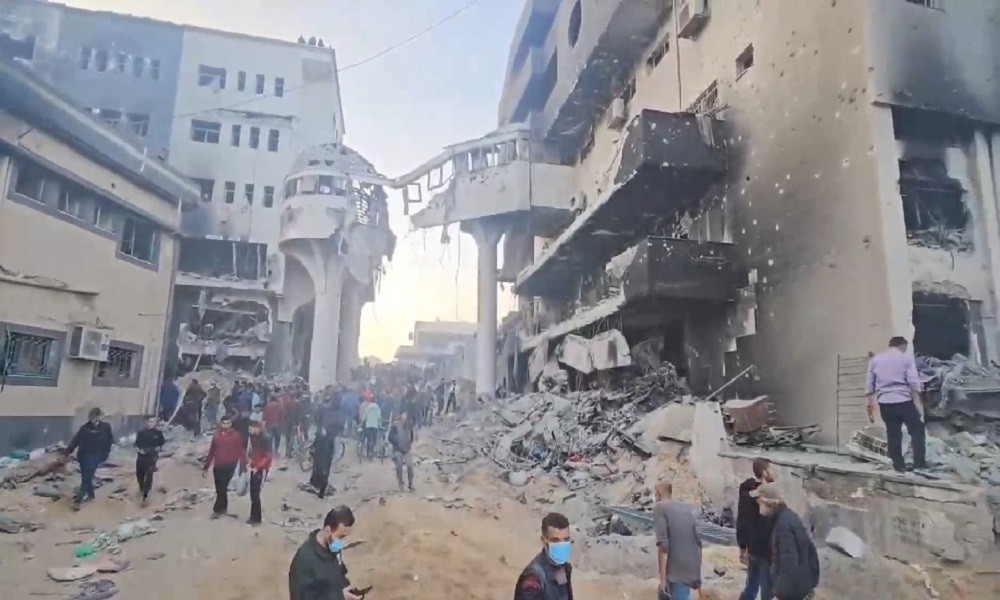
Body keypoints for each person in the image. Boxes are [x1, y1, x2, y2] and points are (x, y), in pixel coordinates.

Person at [866, 336, 926, 473]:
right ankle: (919, 463)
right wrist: (917, 400)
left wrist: (870, 403)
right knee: (917, 430)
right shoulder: (906, 359)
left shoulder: (875, 361)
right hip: (903, 401)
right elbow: (913, 382)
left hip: (885, 403)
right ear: (903, 346)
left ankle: (899, 466)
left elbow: (869, 385)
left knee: (893, 434)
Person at [751, 483, 820, 600]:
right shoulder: (790, 517)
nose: (758, 505)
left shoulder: (783, 525)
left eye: (759, 502)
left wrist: (780, 594)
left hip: (791, 591)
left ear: (768, 502)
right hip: (802, 586)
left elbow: (788, 562)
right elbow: (811, 551)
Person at [289, 506, 360, 600]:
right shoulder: (304, 561)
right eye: (341, 537)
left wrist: (348, 591)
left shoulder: (333, 547)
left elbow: (340, 574)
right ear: (327, 530)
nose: (343, 542)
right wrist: (339, 597)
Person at [652, 482, 702, 600]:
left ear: (659, 493)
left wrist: (662, 581)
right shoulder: (686, 508)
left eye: (655, 493)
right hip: (690, 566)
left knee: (678, 595)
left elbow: (663, 546)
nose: (654, 496)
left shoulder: (660, 507)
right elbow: (698, 542)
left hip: (676, 570)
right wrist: (697, 573)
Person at [737, 458, 777, 600]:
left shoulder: (745, 491)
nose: (774, 472)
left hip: (752, 548)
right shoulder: (769, 494)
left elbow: (741, 521)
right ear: (764, 472)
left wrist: (742, 547)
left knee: (751, 585)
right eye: (771, 469)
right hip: (766, 549)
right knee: (767, 591)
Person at [513, 512, 574, 600]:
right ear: (543, 540)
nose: (561, 545)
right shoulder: (534, 578)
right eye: (555, 540)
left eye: (566, 539)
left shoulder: (563, 567)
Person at [64, 408, 114, 506]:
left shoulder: (105, 427)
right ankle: (90, 494)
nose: (91, 419)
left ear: (98, 417)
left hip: (96, 456)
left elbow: (109, 441)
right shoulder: (84, 428)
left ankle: (80, 497)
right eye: (90, 417)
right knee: (85, 476)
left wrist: (105, 454)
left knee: (87, 476)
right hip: (83, 456)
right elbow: (76, 440)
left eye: (94, 417)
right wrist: (68, 450)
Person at [203, 415, 246, 518]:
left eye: (228, 423)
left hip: (230, 466)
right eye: (224, 423)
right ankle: (223, 509)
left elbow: (241, 451)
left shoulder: (236, 436)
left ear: (231, 424)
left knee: (222, 488)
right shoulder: (216, 436)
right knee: (220, 489)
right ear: (220, 424)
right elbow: (212, 451)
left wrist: (243, 466)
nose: (226, 425)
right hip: (218, 466)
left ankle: (216, 510)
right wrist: (206, 467)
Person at [134, 415, 165, 507]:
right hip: (142, 456)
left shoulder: (158, 433)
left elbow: (162, 444)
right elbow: (136, 445)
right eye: (149, 421)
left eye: (153, 421)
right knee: (139, 474)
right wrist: (139, 450)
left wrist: (159, 448)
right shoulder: (141, 433)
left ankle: (146, 495)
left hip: (152, 456)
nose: (151, 423)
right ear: (146, 422)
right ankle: (141, 488)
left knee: (149, 474)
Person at [246, 420, 272, 526]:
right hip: (253, 467)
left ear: (257, 428)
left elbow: (268, 456)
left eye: (251, 429)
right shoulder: (252, 437)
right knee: (253, 493)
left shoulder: (266, 438)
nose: (249, 431)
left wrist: (258, 467)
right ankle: (254, 517)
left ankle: (256, 518)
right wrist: (249, 461)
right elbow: (251, 451)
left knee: (256, 494)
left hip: (261, 469)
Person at [388, 412, 416, 492]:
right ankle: (400, 483)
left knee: (410, 466)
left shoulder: (409, 427)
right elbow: (389, 438)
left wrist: (409, 444)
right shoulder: (395, 426)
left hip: (406, 449)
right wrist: (396, 441)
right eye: (403, 419)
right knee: (399, 465)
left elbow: (411, 437)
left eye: (405, 419)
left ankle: (410, 483)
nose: (404, 421)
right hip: (397, 449)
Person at [309, 427, 337, 499]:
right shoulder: (329, 440)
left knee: (319, 473)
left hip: (320, 460)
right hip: (324, 461)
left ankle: (318, 487)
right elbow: (331, 452)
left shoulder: (320, 439)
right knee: (324, 475)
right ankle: (321, 491)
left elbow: (314, 448)